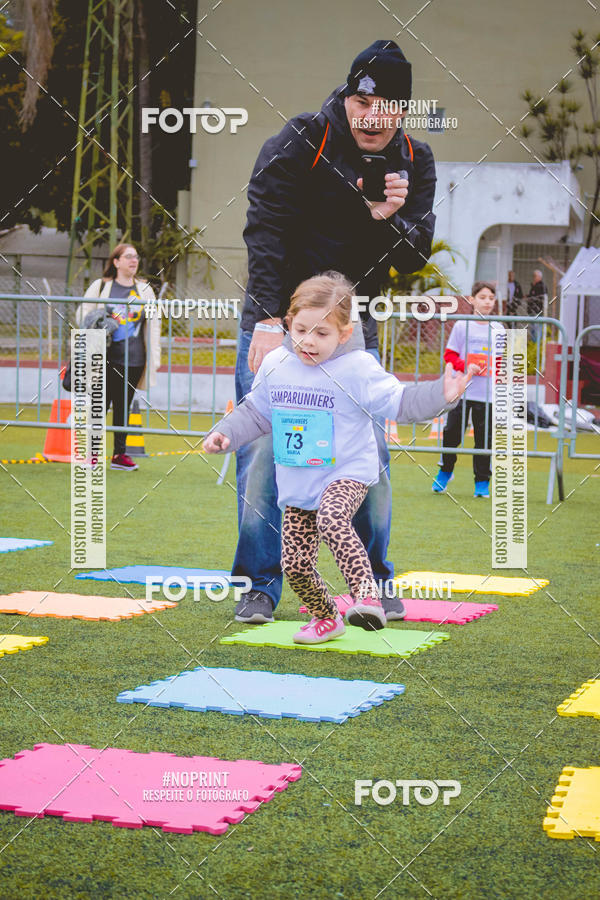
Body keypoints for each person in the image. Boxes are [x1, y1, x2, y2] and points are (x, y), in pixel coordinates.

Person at [232, 39, 437, 624]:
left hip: (351, 328)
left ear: (402, 110)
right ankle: (260, 586)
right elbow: (265, 228)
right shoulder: (303, 139)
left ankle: (374, 581)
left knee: (368, 454)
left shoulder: (415, 159)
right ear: (348, 98)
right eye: (363, 103)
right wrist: (267, 318)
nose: (373, 118)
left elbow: (413, 258)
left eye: (387, 107)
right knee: (265, 452)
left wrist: (389, 218)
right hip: (281, 318)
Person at [205, 273, 476, 643]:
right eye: (301, 330)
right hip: (300, 482)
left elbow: (399, 402)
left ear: (344, 334)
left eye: (322, 333)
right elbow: (256, 412)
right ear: (288, 324)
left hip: (346, 472)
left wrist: (440, 394)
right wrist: (226, 433)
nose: (308, 341)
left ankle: (367, 596)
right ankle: (326, 618)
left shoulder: (357, 368)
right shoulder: (276, 364)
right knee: (295, 564)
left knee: (332, 517)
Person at [77, 243, 160, 471]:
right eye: (128, 256)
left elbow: (153, 325)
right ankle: (91, 456)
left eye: (136, 257)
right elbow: (83, 315)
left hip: (134, 358)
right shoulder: (101, 286)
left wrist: (154, 356)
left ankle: (119, 456)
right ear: (116, 262)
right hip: (103, 357)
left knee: (123, 407)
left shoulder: (145, 290)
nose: (134, 261)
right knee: (99, 405)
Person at [432, 282, 503, 499]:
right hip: (462, 390)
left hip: (487, 395)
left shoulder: (499, 328)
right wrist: (466, 366)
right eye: (482, 297)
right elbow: (450, 355)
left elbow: (502, 361)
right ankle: (445, 471)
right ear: (472, 300)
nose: (487, 302)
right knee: (452, 433)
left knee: (484, 439)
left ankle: (482, 482)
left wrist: (493, 367)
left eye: (491, 298)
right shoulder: (462, 325)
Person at [526, 269, 547, 344]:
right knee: (532, 328)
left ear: (539, 277)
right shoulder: (534, 286)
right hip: (532, 310)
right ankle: (533, 342)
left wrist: (531, 298)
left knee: (537, 328)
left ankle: (537, 344)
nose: (534, 278)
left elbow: (539, 297)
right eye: (533, 276)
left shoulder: (541, 286)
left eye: (535, 276)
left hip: (537, 311)